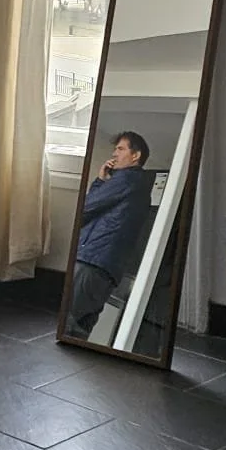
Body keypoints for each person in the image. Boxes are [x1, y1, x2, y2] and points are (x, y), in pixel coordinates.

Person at [66, 130, 154, 337]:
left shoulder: (127, 179)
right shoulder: (139, 185)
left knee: (70, 321)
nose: (114, 154)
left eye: (120, 149)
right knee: (81, 327)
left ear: (136, 155)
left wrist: (99, 181)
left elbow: (86, 208)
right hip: (108, 268)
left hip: (93, 260)